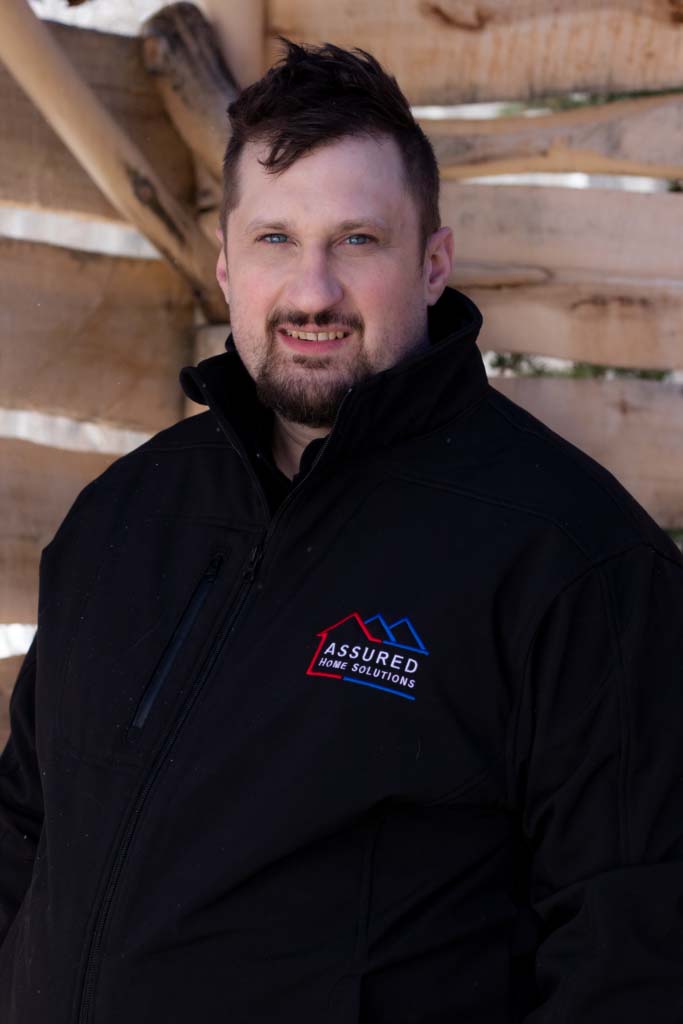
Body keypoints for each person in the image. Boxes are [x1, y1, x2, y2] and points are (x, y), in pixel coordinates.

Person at [1, 39, 682, 1024]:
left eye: (357, 240)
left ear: (432, 263)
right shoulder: (123, 515)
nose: (312, 290)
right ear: (226, 264)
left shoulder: (570, 558)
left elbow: (633, 948)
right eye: (275, 238)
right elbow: (24, 825)